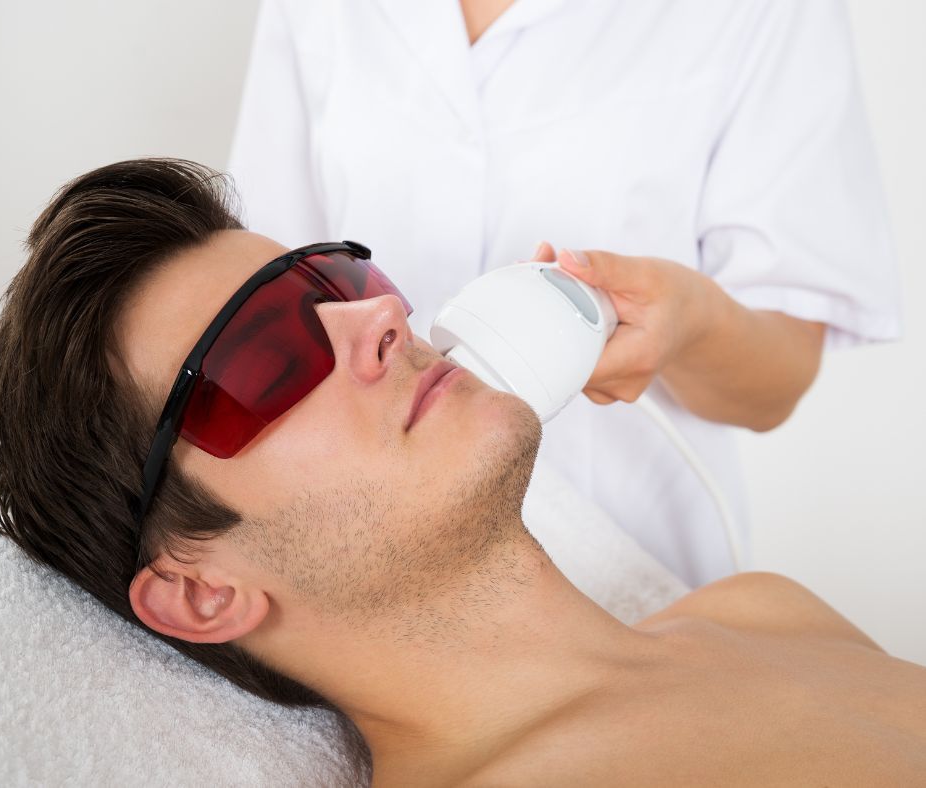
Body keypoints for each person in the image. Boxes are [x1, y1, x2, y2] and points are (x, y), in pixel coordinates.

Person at [0, 159, 922, 786]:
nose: (381, 314)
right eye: (261, 357)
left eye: (335, 281)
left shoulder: (765, 612)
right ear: (199, 593)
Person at [228, 0, 903, 586]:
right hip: (381, 556)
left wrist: (687, 322)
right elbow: (265, 290)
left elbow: (776, 381)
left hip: (628, 566)